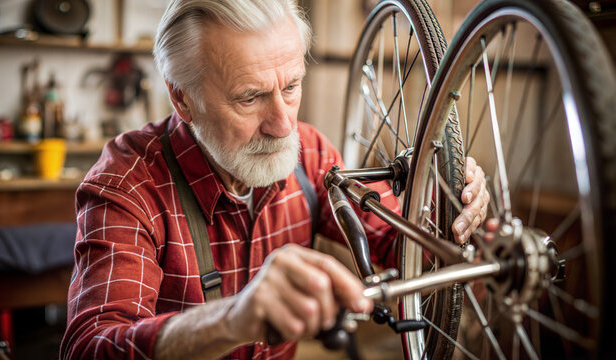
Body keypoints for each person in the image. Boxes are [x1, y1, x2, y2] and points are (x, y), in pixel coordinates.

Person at [60, 1, 489, 359]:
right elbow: (88, 347)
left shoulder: (311, 153)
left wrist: (453, 211)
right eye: (250, 97)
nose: (283, 126)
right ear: (183, 98)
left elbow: (408, 248)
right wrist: (233, 319)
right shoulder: (129, 183)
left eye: (291, 86)